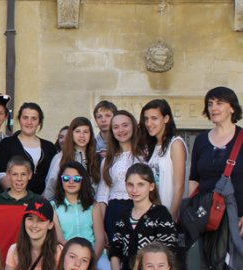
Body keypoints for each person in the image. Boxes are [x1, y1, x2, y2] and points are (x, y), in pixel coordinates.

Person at [188, 87, 243, 270]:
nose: (214, 107)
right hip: (210, 215)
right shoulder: (201, 141)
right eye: (210, 103)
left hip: (239, 216)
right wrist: (187, 212)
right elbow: (195, 179)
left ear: (232, 107)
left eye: (219, 103)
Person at [110, 163, 178, 270]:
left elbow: (168, 253)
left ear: (151, 186)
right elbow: (114, 252)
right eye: (130, 184)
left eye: (141, 184)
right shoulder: (123, 217)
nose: (135, 189)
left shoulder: (161, 214)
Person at [51, 162, 113, 270]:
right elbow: (60, 238)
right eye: (66, 178)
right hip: (67, 255)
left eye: (77, 179)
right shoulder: (53, 206)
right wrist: (77, 257)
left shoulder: (93, 206)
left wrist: (90, 260)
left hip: (95, 254)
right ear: (61, 180)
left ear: (82, 181)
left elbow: (100, 238)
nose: (71, 182)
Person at [95, 110, 143, 242]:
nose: (121, 130)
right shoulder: (108, 160)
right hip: (114, 213)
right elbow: (102, 196)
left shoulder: (145, 156)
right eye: (116, 127)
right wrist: (101, 229)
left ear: (133, 126)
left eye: (125, 125)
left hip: (140, 211)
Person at [139, 99, 187, 220]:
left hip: (168, 214)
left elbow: (179, 186)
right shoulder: (152, 146)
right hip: (151, 214)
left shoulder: (175, 144)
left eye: (154, 118)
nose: (149, 123)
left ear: (166, 119)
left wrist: (172, 216)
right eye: (146, 119)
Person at [0, 101, 57, 194]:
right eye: (25, 118)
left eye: (34, 118)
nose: (29, 122)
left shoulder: (49, 147)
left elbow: (54, 176)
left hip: (43, 201)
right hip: (14, 200)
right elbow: (0, 174)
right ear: (19, 119)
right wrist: (17, 195)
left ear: (40, 122)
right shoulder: (7, 144)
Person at [43, 116, 100, 201]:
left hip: (89, 208)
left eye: (86, 132)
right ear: (71, 134)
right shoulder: (61, 157)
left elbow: (98, 188)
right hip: (64, 207)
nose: (82, 136)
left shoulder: (96, 158)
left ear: (90, 134)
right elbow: (51, 184)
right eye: (77, 131)